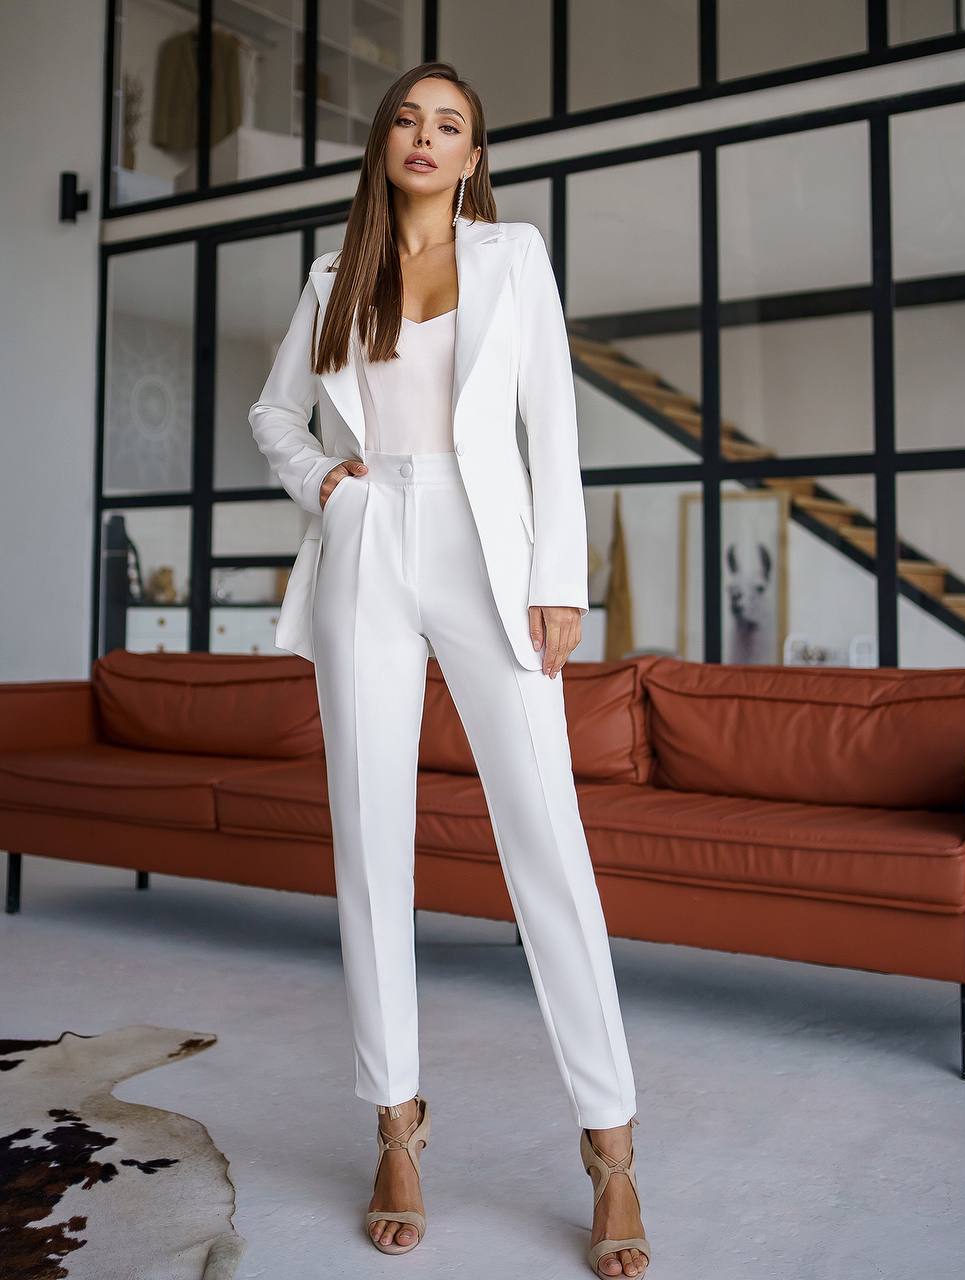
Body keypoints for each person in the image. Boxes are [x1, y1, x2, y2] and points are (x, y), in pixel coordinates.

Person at [248, 60, 651, 1278]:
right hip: (369, 539)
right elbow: (274, 414)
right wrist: (322, 480)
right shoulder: (333, 277)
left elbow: (552, 422)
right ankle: (396, 1128)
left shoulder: (512, 256)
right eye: (408, 120)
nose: (424, 137)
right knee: (369, 846)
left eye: (449, 125)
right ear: (385, 144)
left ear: (473, 157)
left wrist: (559, 579)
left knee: (546, 838)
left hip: (492, 553)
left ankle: (611, 1145)